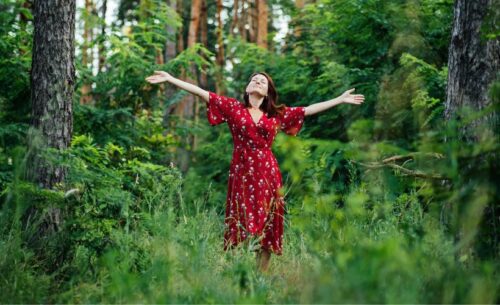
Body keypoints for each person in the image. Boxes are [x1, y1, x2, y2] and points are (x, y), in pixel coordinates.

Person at [145, 71, 364, 272]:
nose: (258, 81)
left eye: (263, 81)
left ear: (268, 91)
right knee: (240, 219)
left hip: (268, 171)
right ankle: (235, 272)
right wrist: (170, 78)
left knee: (268, 221)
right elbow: (202, 92)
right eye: (254, 80)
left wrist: (339, 99)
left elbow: (307, 110)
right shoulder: (233, 108)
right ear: (247, 88)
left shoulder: (276, 114)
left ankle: (262, 276)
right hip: (241, 171)